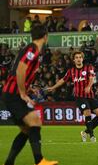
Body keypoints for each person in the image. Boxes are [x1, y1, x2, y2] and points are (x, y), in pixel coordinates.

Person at [2, 24, 58, 165]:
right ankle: (39, 161)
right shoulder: (32, 49)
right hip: (14, 94)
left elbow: (22, 71)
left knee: (27, 130)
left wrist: (28, 88)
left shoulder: (32, 50)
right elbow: (21, 69)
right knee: (35, 122)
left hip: (11, 93)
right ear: (45, 36)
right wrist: (22, 93)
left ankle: (9, 162)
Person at [48, 51, 98, 142]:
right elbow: (63, 80)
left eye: (80, 57)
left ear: (82, 59)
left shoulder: (88, 67)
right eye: (77, 57)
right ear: (74, 60)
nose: (78, 59)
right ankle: (92, 136)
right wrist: (53, 87)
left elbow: (92, 78)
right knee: (87, 112)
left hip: (90, 96)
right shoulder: (71, 71)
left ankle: (85, 132)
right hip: (79, 97)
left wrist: (89, 86)